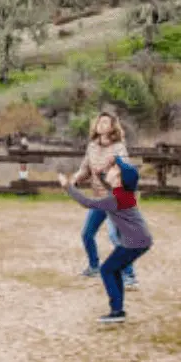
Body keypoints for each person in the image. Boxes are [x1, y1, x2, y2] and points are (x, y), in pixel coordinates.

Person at [59, 156, 153, 323]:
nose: (111, 170)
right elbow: (109, 184)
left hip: (134, 243)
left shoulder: (115, 199)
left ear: (119, 180)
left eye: (114, 169)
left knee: (106, 270)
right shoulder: (123, 193)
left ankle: (117, 311)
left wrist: (68, 187)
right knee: (113, 270)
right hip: (138, 241)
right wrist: (101, 171)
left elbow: (88, 203)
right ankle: (118, 310)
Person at [71, 112, 138, 288]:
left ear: (112, 127)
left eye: (106, 122)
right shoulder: (92, 147)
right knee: (87, 234)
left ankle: (129, 277)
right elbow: (85, 168)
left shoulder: (119, 148)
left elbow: (125, 171)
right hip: (99, 198)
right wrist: (76, 179)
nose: (101, 124)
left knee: (116, 236)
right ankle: (94, 267)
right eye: (99, 121)